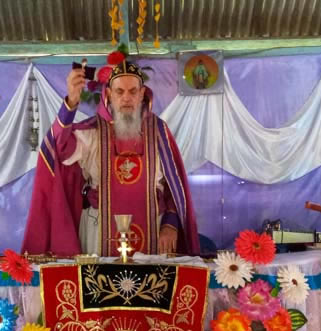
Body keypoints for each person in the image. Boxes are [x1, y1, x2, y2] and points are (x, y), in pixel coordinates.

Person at [22, 58, 200, 257]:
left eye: (133, 91)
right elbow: (59, 149)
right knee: (99, 278)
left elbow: (174, 187)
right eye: (119, 91)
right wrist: (70, 104)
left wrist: (170, 224)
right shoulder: (91, 132)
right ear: (108, 94)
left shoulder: (159, 131)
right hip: (99, 231)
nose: (126, 98)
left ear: (142, 94)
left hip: (154, 231)